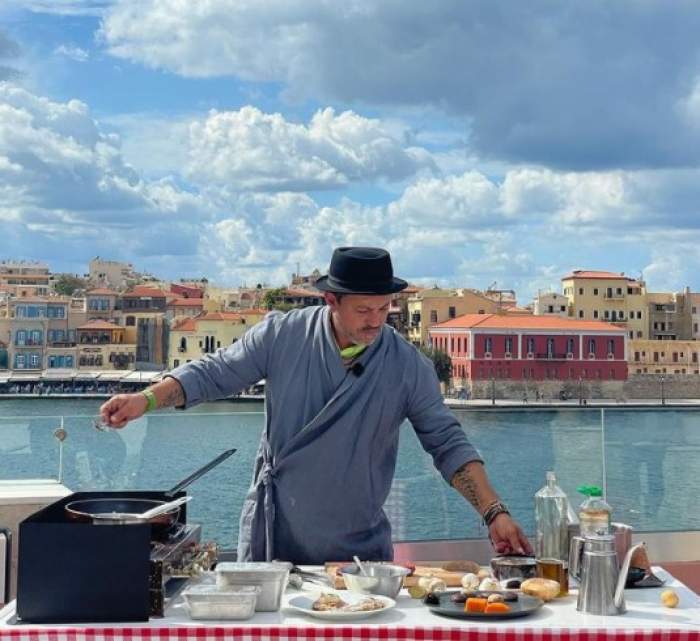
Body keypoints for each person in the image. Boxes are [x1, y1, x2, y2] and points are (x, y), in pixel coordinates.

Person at [99, 247, 531, 563]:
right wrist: (148, 398)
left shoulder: (407, 366)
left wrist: (494, 512)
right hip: (276, 539)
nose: (376, 321)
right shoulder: (282, 335)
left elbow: (448, 444)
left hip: (358, 553)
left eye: (384, 309)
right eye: (364, 309)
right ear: (331, 301)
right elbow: (215, 372)